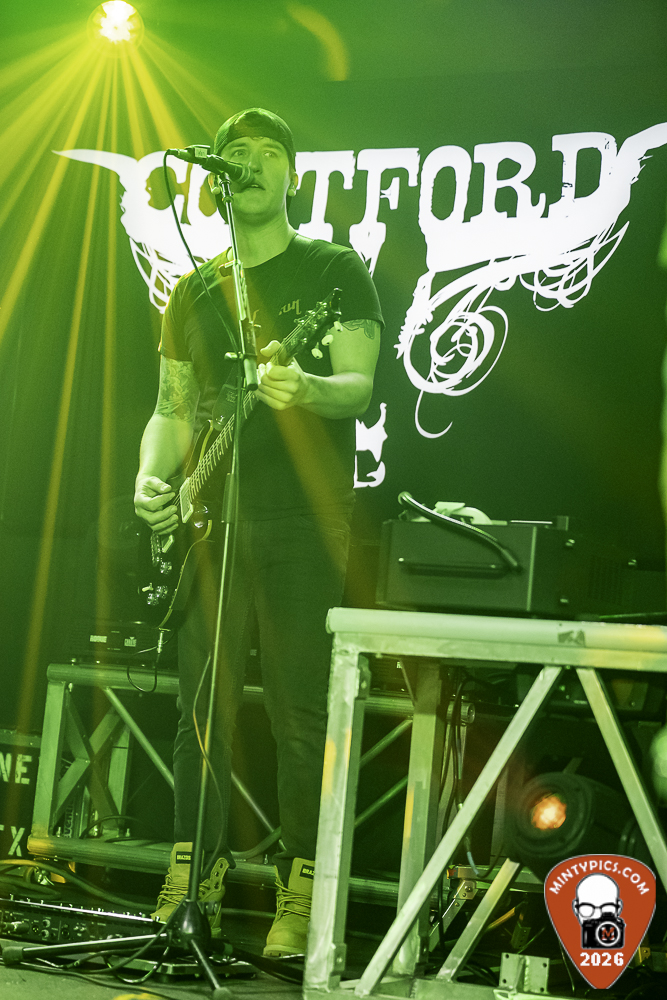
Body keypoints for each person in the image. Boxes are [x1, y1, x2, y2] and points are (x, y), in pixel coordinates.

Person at [134, 108, 383, 957]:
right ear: (214, 178)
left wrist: (306, 389)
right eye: (234, 154)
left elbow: (356, 385)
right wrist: (152, 476)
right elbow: (171, 410)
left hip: (304, 517)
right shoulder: (192, 290)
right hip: (211, 518)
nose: (249, 164)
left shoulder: (333, 268)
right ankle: (189, 880)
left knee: (297, 709)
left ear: (293, 175)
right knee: (198, 709)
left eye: (267, 153)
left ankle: (300, 891)